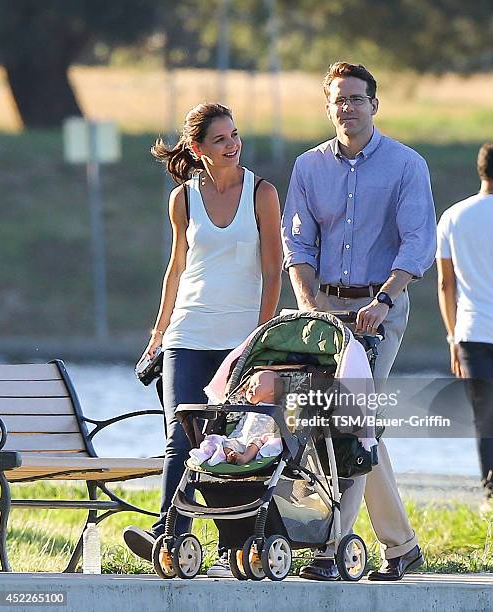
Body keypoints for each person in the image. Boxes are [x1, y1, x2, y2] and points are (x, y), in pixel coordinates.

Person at [281, 62, 436, 581]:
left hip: (379, 311)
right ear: (328, 106)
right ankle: (402, 548)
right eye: (338, 99)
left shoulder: (406, 165)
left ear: (375, 103)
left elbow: (418, 242)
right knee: (347, 426)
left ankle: (328, 550)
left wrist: (385, 301)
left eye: (356, 98)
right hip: (324, 312)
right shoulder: (308, 167)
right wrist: (308, 303)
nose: (347, 107)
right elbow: (297, 244)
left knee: (348, 422)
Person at [123, 103, 282, 578]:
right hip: (188, 333)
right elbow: (177, 269)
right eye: (220, 139)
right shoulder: (183, 199)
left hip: (241, 338)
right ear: (198, 149)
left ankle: (239, 539)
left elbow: (274, 269)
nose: (233, 144)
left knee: (233, 440)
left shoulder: (263, 193)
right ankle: (166, 534)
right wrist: (158, 335)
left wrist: (261, 339)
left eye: (235, 135)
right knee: (181, 434)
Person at [436, 140, 493, 506]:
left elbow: (445, 284)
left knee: (487, 419)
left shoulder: (453, 217)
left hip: (473, 335)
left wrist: (452, 338)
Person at [189, 370, 284, 466]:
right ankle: (230, 456)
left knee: (255, 441)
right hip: (241, 440)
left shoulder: (276, 410)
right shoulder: (249, 410)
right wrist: (234, 436)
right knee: (227, 443)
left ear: (272, 391)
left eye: (255, 384)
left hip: (258, 442)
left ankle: (244, 458)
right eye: (250, 385)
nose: (250, 387)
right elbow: (241, 425)